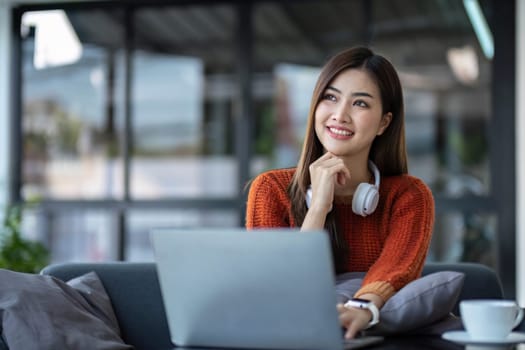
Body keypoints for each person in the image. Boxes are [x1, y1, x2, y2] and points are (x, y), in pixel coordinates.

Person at [245, 46, 434, 338]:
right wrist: (318, 207)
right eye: (330, 98)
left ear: (384, 122)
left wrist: (363, 308)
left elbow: (396, 268)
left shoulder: (409, 195)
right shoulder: (270, 190)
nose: (340, 115)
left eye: (360, 104)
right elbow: (279, 287)